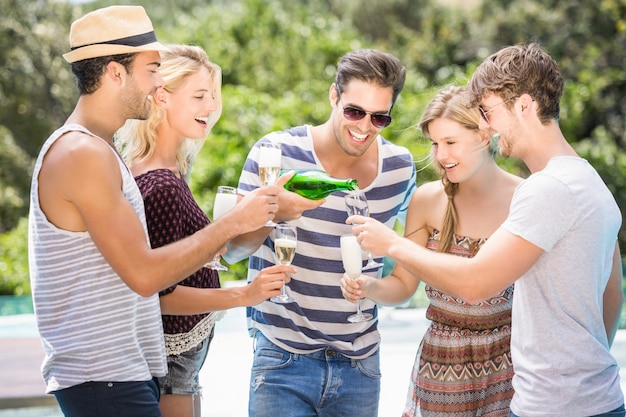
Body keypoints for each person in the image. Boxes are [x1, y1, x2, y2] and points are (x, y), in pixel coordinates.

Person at [28, 7, 289, 417]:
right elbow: (146, 276)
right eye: (151, 70)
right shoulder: (81, 153)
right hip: (105, 379)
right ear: (116, 73)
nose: (157, 84)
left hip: (120, 376)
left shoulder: (99, 149)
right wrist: (234, 223)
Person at [343, 43, 625, 417]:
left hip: (558, 406)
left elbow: (475, 284)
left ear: (524, 106)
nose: (487, 126)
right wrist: (584, 369)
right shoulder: (589, 181)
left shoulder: (546, 190)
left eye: (489, 112)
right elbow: (611, 293)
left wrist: (392, 244)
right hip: (585, 399)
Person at [224, 49, 416, 417]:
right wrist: (273, 212)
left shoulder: (400, 168)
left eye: (379, 117)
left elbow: (408, 257)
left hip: (361, 364)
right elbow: (232, 251)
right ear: (334, 96)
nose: (364, 127)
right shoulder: (276, 152)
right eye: (354, 111)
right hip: (282, 356)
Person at [115, 44, 293, 417]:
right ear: (162, 97)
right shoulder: (160, 184)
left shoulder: (166, 170)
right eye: (199, 96)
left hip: (182, 360)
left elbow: (198, 257)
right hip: (172, 363)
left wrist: (269, 210)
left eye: (212, 96)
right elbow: (161, 295)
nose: (211, 107)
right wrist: (244, 294)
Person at [341, 85, 521, 416]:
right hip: (441, 370)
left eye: (450, 142)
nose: (440, 156)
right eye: (435, 143)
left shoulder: (524, 199)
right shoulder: (426, 200)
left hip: (511, 370)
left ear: (484, 135)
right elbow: (403, 287)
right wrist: (370, 287)